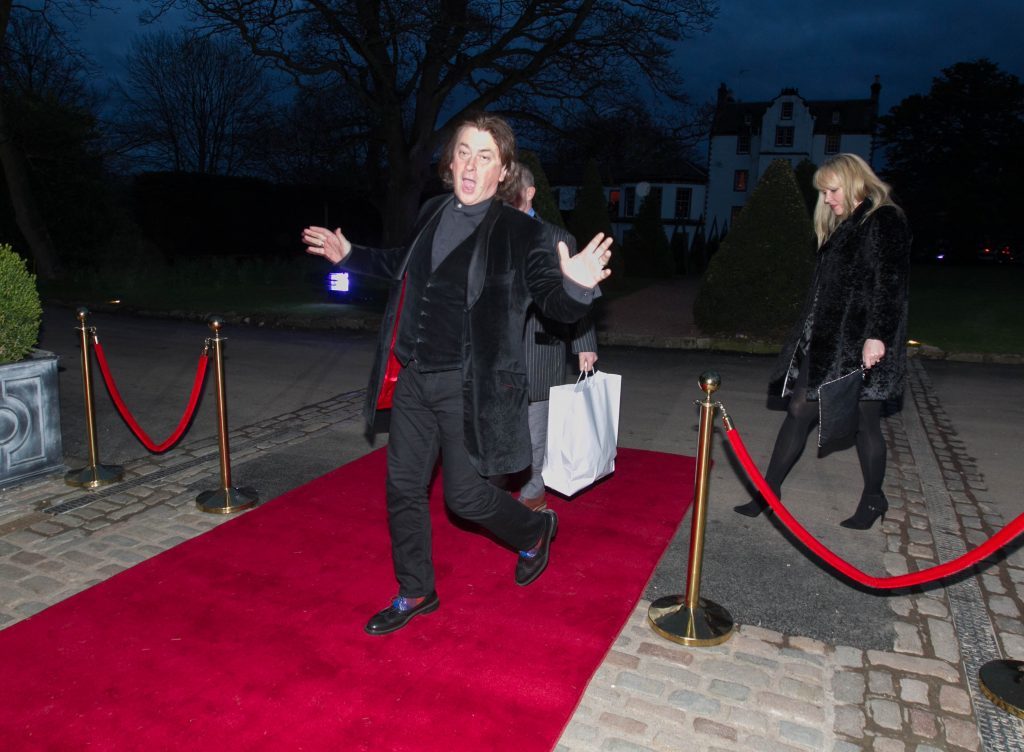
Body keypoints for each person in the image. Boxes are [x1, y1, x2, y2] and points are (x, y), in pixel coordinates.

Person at [301, 112, 613, 635]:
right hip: (416, 376)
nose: (471, 164)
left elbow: (555, 305)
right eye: (463, 151)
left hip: (472, 388)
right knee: (402, 487)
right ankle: (415, 590)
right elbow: (403, 263)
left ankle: (534, 531)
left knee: (465, 499)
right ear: (450, 161)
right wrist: (350, 255)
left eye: (485, 155)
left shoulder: (521, 233)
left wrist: (576, 287)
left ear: (503, 170)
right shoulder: (432, 210)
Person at [734, 153, 911, 530]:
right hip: (829, 340)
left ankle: (873, 498)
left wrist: (876, 336)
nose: (827, 198)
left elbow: (890, 284)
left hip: (863, 343)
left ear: (853, 182)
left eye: (832, 190)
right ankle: (769, 492)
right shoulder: (845, 225)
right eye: (824, 192)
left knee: (866, 423)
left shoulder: (884, 219)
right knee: (798, 409)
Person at [502, 164, 598, 511]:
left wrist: (585, 344)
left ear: (530, 193)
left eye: (512, 187)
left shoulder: (558, 238)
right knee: (495, 423)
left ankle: (533, 493)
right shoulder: (488, 234)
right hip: (494, 350)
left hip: (540, 347)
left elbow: (580, 293)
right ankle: (492, 488)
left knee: (535, 429)